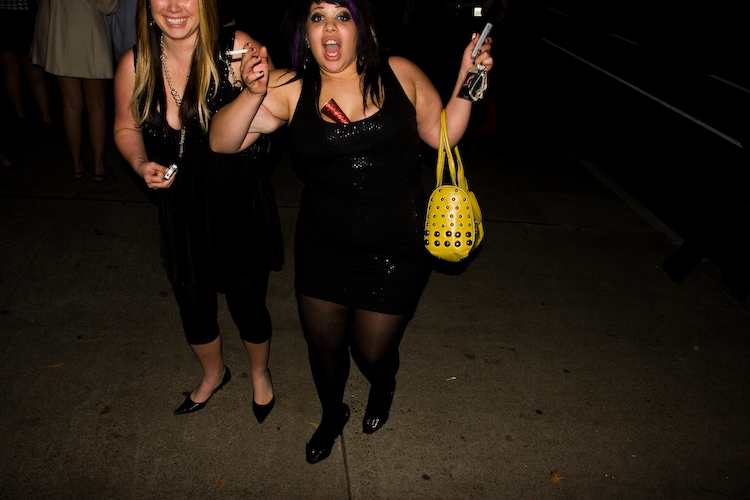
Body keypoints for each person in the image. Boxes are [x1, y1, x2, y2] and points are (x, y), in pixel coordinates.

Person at [210, 0, 493, 463]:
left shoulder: (400, 74)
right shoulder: (288, 86)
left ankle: (383, 388)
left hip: (398, 248)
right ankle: (332, 412)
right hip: (324, 247)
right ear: (305, 31)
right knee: (323, 347)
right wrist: (251, 92)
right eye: (318, 17)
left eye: (342, 16)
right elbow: (222, 142)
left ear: (362, 28)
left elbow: (443, 134)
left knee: (373, 353)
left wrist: (468, 77)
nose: (330, 28)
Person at [113, 0, 283, 421]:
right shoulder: (135, 63)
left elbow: (279, 111)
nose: (174, 6)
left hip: (238, 202)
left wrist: (255, 89)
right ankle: (214, 373)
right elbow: (125, 125)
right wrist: (139, 163)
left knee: (248, 304)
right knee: (194, 307)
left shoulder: (237, 49)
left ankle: (260, 374)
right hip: (181, 208)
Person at [31, 0, 118, 181]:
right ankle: (98, 167)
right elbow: (108, 6)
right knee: (96, 106)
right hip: (89, 32)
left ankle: (77, 165)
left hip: (59, 31)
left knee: (71, 104)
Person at [0, 0, 53, 129]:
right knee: (33, 71)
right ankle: (46, 119)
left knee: (13, 72)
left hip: (6, 16)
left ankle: (23, 116)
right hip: (25, 15)